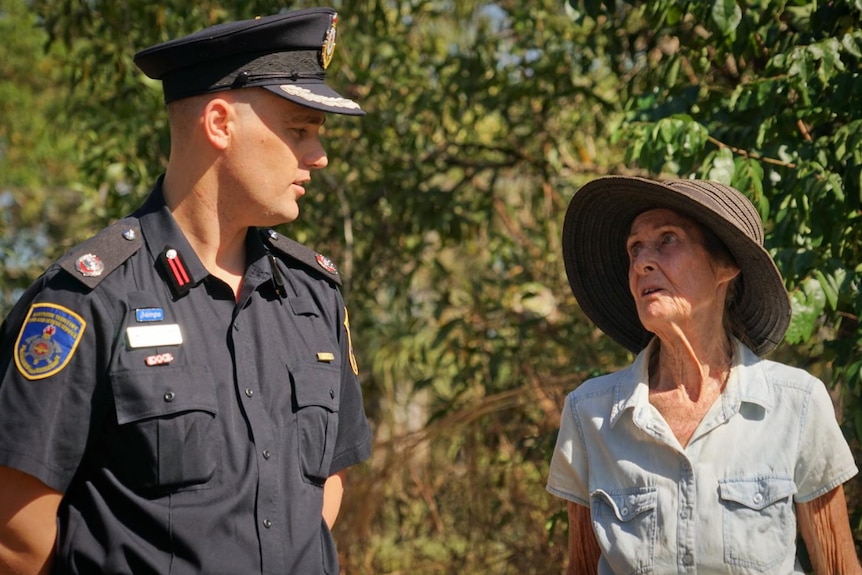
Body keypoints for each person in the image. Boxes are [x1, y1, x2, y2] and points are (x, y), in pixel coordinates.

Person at [0, 7, 372, 575]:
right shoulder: (88, 297)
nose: (319, 156)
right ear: (220, 124)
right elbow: (16, 535)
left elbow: (325, 487)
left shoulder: (313, 295)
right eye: (299, 129)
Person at [547, 176, 861, 574]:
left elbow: (838, 566)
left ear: (726, 265)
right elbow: (582, 568)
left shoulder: (795, 405)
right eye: (635, 247)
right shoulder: (590, 414)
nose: (643, 261)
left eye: (668, 239)